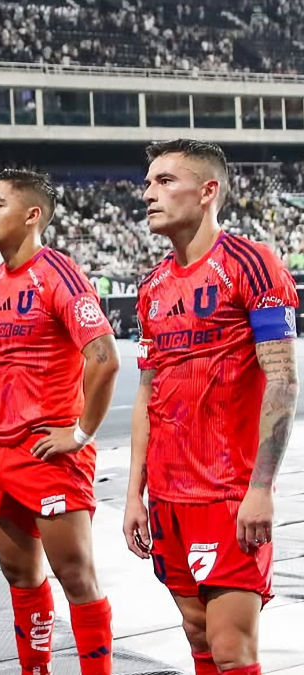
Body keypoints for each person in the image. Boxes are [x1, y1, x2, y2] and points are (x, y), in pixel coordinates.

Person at [124, 139, 298, 675]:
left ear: (207, 191)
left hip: (229, 495)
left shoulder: (252, 264)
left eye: (164, 181)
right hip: (168, 497)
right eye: (148, 182)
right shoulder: (152, 287)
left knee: (231, 650)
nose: (148, 193)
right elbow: (148, 394)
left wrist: (261, 488)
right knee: (197, 635)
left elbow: (283, 379)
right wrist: (134, 495)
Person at [0, 170, 118, 675]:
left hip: (51, 455)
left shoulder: (58, 274)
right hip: (1, 455)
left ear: (32, 215)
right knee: (19, 575)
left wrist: (81, 433)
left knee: (75, 578)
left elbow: (104, 358)